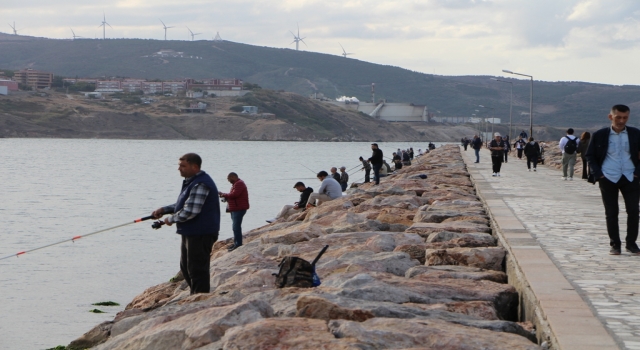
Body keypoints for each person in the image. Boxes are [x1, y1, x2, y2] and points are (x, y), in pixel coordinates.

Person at [151, 153, 220, 295]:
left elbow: (191, 211)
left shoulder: (201, 183)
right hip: (191, 232)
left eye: (183, 166)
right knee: (186, 268)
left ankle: (200, 299)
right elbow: (183, 203)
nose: (179, 169)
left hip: (201, 233)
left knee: (197, 269)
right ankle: (195, 296)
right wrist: (165, 210)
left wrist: (170, 219)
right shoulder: (192, 181)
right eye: (179, 165)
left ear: (195, 167)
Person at [585, 104, 640, 255]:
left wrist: (637, 173)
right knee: (611, 212)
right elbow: (590, 155)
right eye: (618, 117)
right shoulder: (600, 135)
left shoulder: (636, 134)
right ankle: (615, 244)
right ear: (611, 117)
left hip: (630, 176)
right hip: (608, 177)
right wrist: (599, 174)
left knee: (634, 210)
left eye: (625, 117)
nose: (622, 121)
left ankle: (631, 243)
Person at [219, 172, 249, 252]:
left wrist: (224, 195)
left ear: (233, 177)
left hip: (239, 209)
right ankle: (236, 243)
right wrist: (225, 196)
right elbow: (233, 195)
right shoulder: (236, 184)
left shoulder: (239, 184)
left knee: (236, 227)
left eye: (229, 179)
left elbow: (235, 195)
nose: (228, 181)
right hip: (235, 209)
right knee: (235, 227)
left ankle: (238, 244)